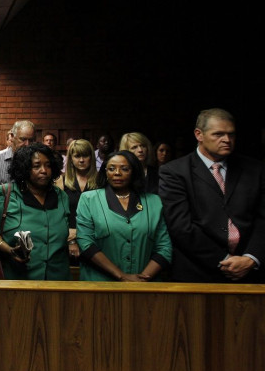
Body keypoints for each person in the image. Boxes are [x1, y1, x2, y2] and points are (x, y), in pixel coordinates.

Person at [159, 108, 265, 283]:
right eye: (218, 134)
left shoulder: (255, 169)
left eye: (231, 134)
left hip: (250, 272)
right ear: (199, 134)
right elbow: (180, 226)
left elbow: (262, 219)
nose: (227, 140)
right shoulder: (174, 172)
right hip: (198, 272)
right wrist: (225, 261)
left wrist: (251, 258)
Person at [0, 143, 71, 281]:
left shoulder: (61, 196)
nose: (44, 170)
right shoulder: (6, 193)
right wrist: (7, 249)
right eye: (36, 166)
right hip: (18, 279)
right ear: (25, 168)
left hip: (58, 279)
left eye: (48, 165)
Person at [76, 150, 172, 281]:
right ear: (105, 171)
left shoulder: (153, 202)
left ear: (134, 172)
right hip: (100, 284)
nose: (117, 173)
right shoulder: (89, 199)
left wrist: (142, 279)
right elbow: (85, 243)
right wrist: (122, 276)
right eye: (111, 168)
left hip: (145, 285)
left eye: (124, 169)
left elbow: (164, 247)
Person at [61, 139, 99, 261]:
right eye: (77, 156)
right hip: (68, 242)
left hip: (96, 239)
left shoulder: (101, 181)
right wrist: (71, 241)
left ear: (91, 157)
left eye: (85, 156)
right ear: (71, 158)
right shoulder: (61, 181)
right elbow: (59, 215)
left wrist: (78, 233)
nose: (81, 160)